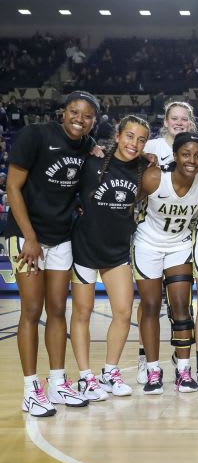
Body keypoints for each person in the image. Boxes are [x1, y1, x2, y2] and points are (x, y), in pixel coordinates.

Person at [7, 90, 99, 416]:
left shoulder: (88, 146)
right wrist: (29, 237)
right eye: (75, 112)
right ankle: (31, 389)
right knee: (32, 310)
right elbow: (13, 187)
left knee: (58, 309)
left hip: (61, 237)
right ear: (64, 112)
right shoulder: (36, 135)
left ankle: (58, 382)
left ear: (93, 121)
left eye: (87, 116)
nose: (80, 119)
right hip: (26, 234)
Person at [70, 115, 149, 401]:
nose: (134, 143)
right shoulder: (92, 162)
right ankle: (85, 377)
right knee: (82, 312)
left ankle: (110, 371)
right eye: (129, 136)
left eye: (140, 139)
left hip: (116, 251)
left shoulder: (143, 169)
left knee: (124, 312)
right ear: (117, 135)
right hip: (85, 248)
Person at [133, 132, 198, 394]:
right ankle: (153, 370)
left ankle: (184, 370)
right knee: (151, 306)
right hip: (148, 244)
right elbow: (128, 202)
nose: (192, 160)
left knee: (181, 307)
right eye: (186, 154)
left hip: (178, 244)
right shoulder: (154, 178)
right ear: (175, 155)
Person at [143, 101, 196, 169]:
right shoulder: (150, 147)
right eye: (174, 118)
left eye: (184, 119)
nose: (179, 123)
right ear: (166, 122)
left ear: (190, 125)